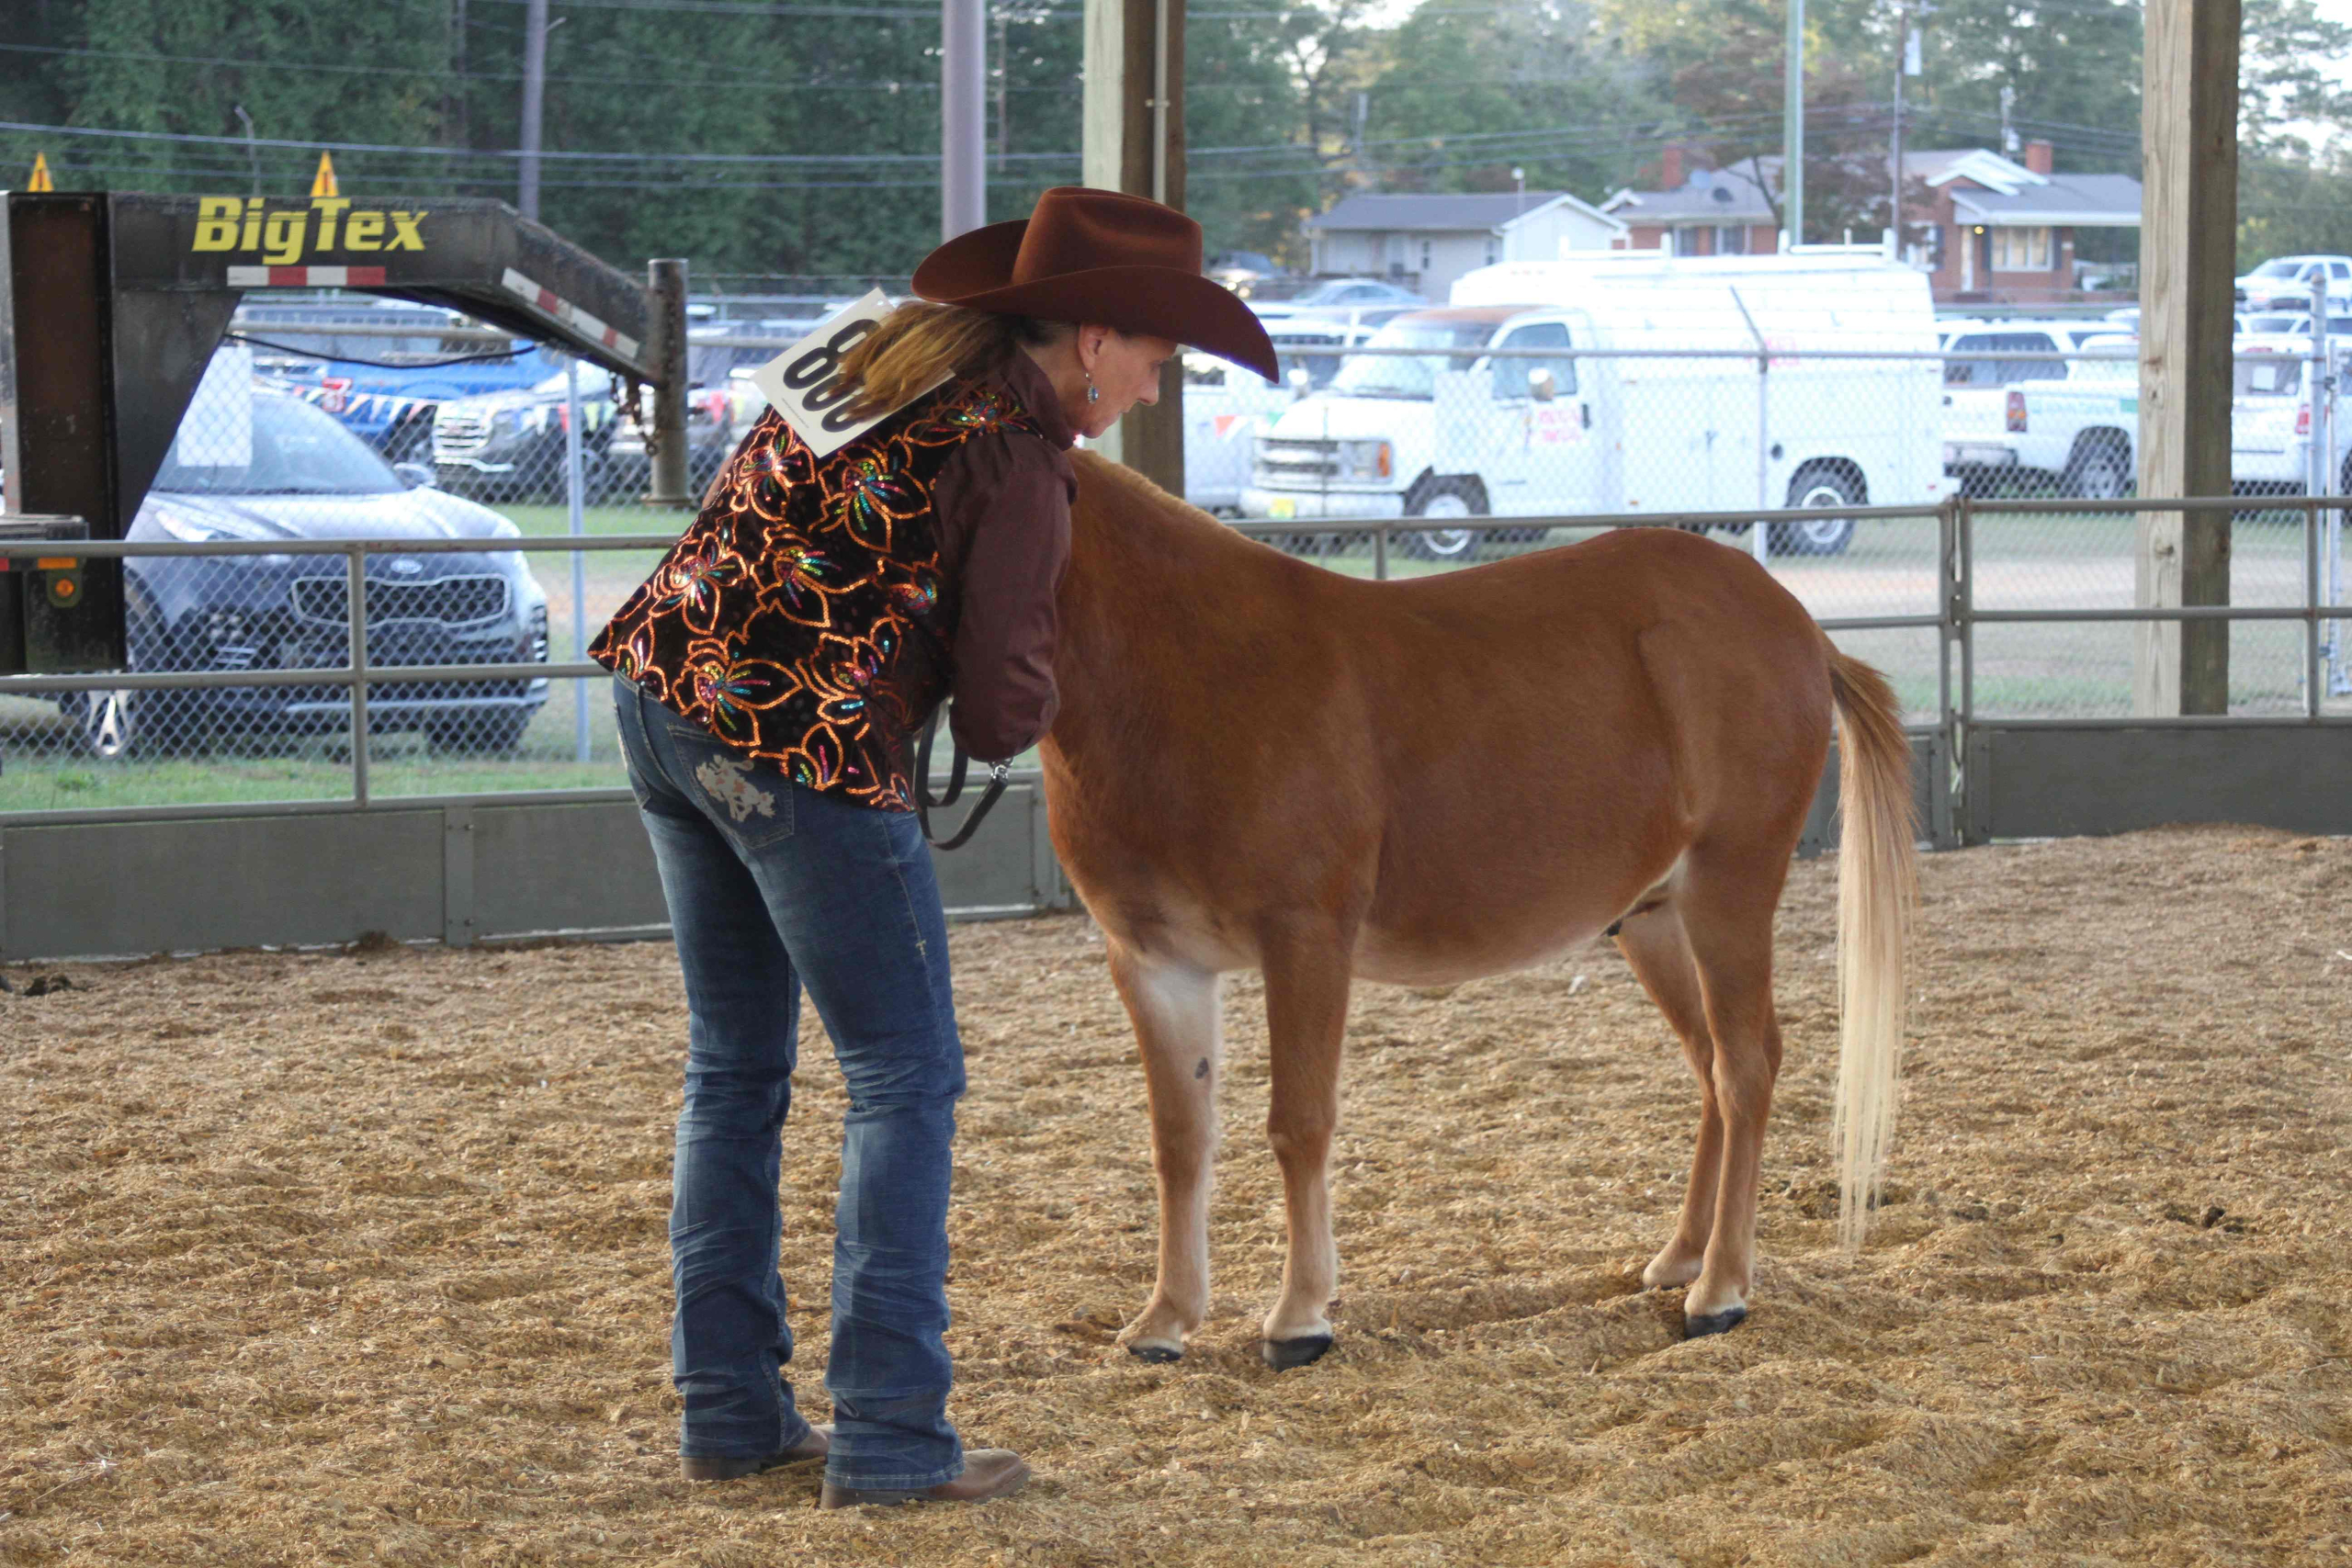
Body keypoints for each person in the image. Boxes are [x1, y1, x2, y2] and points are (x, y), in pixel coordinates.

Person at [589, 186, 1277, 1508]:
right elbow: (1012, 714)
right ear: (1088, 338)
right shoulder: (1019, 463)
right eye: (1149, 356)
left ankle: (731, 1415)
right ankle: (895, 1438)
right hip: (806, 751)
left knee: (734, 1071)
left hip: (664, 693)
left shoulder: (875, 351)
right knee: (907, 1078)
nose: (1147, 385)